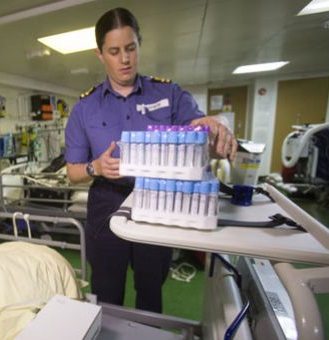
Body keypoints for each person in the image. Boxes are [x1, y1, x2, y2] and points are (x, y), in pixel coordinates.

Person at [64, 7, 237, 313]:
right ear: (100, 54)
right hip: (106, 204)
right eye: (114, 51)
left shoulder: (169, 94)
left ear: (139, 44)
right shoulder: (84, 108)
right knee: (107, 294)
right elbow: (73, 173)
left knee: (150, 290)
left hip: (158, 202)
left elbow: (199, 127)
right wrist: (96, 167)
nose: (125, 59)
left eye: (130, 48)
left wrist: (213, 125)